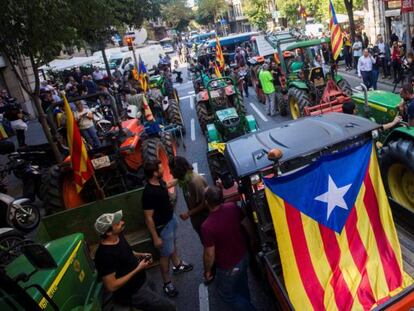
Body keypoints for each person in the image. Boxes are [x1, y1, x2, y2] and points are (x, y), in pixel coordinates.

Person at [94, 210, 176, 310]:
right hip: (133, 292)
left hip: (143, 279)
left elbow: (126, 250)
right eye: (118, 223)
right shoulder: (104, 255)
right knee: (169, 307)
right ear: (108, 232)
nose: (122, 222)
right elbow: (111, 286)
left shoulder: (118, 235)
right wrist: (137, 269)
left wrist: (139, 255)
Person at [142, 160, 193, 297]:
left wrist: (186, 175)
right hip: (162, 228)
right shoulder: (148, 193)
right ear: (154, 173)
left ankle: (177, 265)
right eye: (160, 168)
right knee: (164, 255)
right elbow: (148, 218)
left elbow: (168, 184)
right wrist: (155, 237)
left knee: (172, 245)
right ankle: (166, 283)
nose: (163, 169)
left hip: (171, 220)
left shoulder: (160, 183)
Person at [201, 186, 256, 311]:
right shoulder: (232, 207)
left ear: (207, 202)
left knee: (228, 295)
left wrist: (207, 270)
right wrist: (253, 240)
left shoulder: (207, 226)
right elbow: (246, 223)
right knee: (242, 284)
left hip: (228, 267)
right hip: (243, 255)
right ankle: (246, 304)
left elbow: (209, 254)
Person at [169, 156, 209, 240]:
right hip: (197, 220)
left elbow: (205, 203)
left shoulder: (194, 182)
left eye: (171, 170)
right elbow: (172, 183)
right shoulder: (184, 179)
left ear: (178, 171)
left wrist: (188, 213)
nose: (170, 172)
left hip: (205, 220)